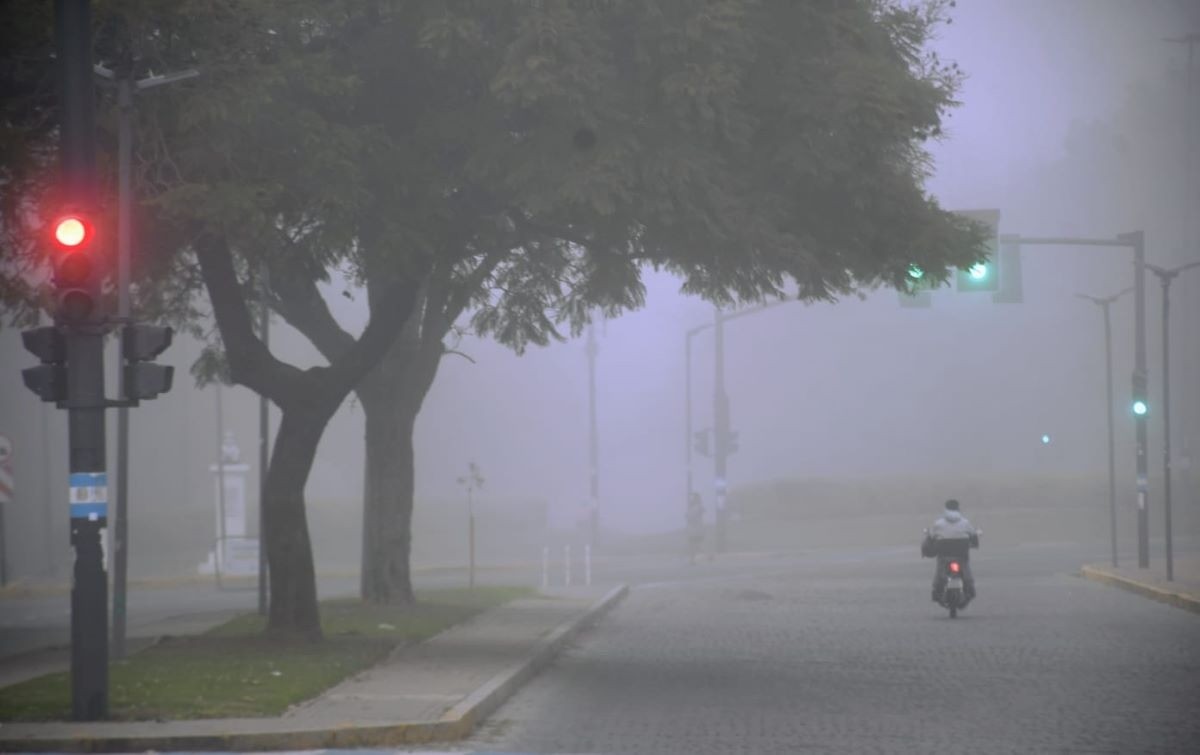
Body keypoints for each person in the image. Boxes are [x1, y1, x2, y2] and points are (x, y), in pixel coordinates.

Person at [923, 499, 979, 605]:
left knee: (939, 571)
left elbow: (930, 537)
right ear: (958, 509)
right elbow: (973, 535)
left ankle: (937, 590)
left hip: (944, 554)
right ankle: (970, 588)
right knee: (966, 568)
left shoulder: (938, 523)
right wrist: (974, 543)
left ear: (945, 509)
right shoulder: (965, 522)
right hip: (961, 554)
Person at [686, 492, 705, 565]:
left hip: (696, 529)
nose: (691, 499)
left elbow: (690, 517)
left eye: (693, 498)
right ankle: (692, 559)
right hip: (694, 529)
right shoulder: (695, 507)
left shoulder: (697, 507)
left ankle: (692, 559)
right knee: (695, 544)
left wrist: (689, 517)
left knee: (695, 544)